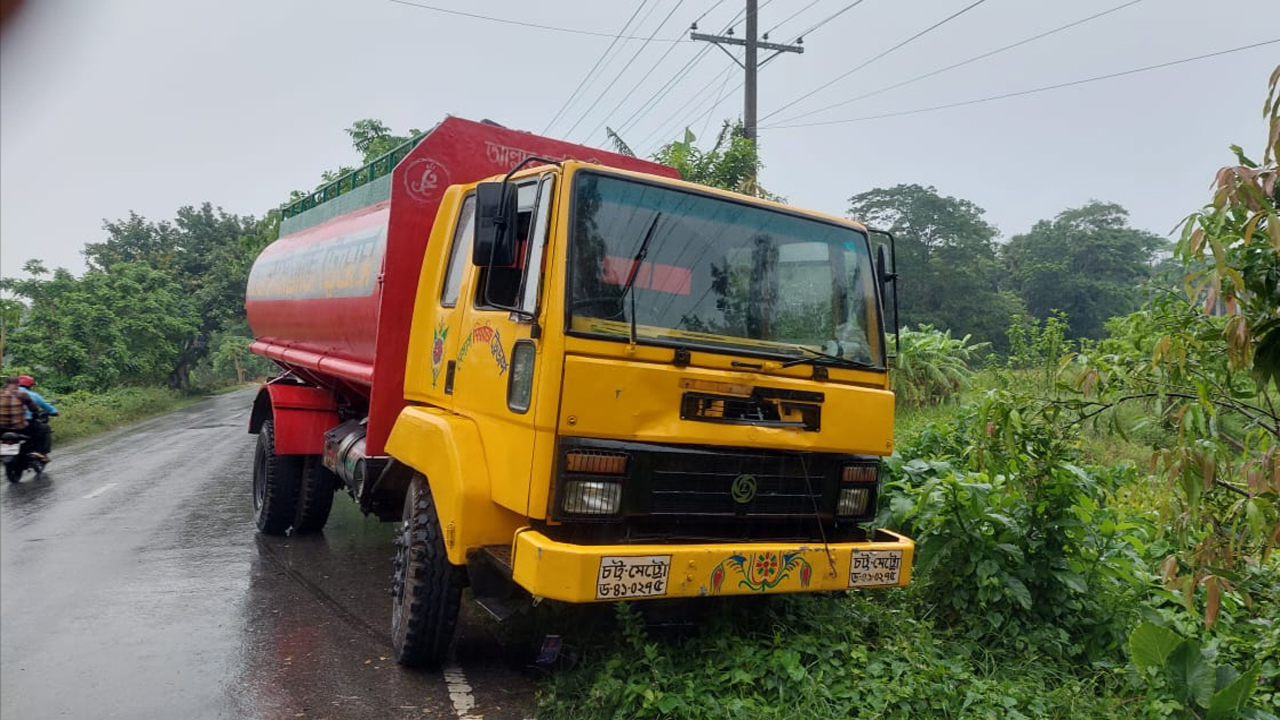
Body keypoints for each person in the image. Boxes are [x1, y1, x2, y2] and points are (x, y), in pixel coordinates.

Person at [1, 375, 46, 460]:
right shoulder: (22, 394)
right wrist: (36, 414)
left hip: (2, 427)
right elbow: (33, 408)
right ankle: (37, 452)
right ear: (17, 384)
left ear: (6, 384)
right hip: (19, 427)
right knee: (40, 429)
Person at [17, 375, 56, 457]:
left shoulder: (5, 393)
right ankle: (41, 452)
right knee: (45, 428)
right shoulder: (32, 395)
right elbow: (45, 407)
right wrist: (54, 411)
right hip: (25, 424)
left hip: (5, 425)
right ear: (30, 385)